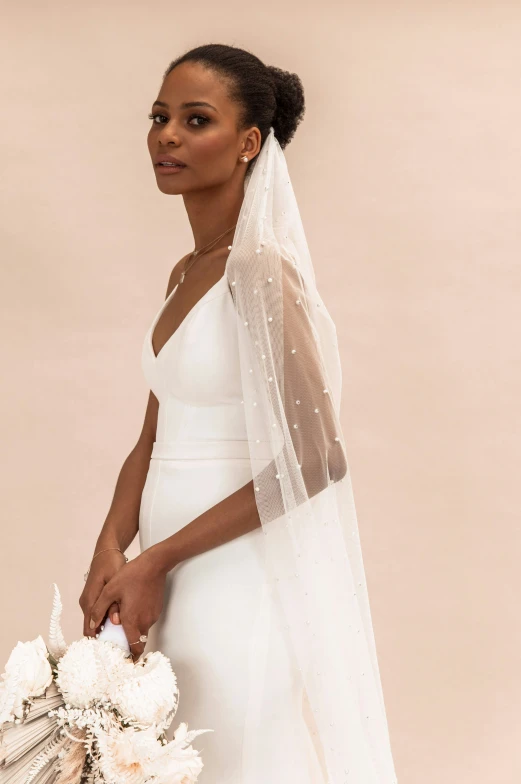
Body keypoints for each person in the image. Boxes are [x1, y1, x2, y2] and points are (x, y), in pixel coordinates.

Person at [79, 43, 399, 784]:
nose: (166, 136)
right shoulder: (186, 271)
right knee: (164, 755)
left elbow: (318, 458)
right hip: (162, 565)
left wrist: (155, 559)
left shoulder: (258, 272)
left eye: (196, 120)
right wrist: (110, 549)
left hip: (233, 573)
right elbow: (152, 436)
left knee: (232, 752)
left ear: (249, 143)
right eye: (160, 117)